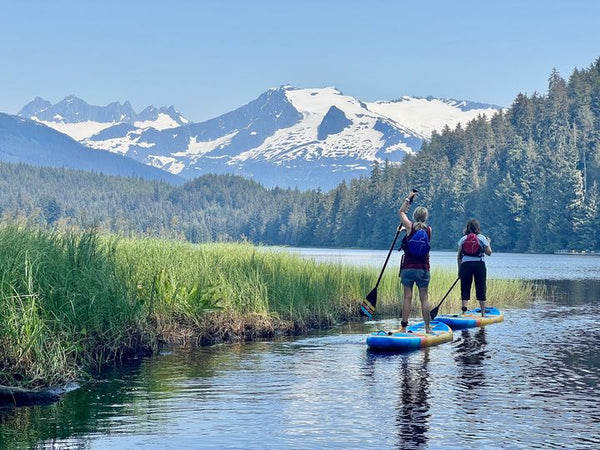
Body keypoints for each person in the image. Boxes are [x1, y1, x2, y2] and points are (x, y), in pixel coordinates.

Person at [398, 190, 432, 333]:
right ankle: (428, 328)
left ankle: (404, 328)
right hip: (423, 268)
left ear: (414, 216)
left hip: (408, 268)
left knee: (407, 297)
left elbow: (401, 212)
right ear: (425, 217)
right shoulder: (429, 230)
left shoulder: (409, 227)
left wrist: (409, 199)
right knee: (424, 298)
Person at [457, 219, 492, 317]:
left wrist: (459, 270)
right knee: (481, 287)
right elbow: (489, 253)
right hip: (479, 264)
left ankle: (464, 311)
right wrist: (488, 242)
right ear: (477, 228)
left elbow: (459, 256)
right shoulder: (482, 238)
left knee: (465, 287)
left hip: (466, 265)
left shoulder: (463, 239)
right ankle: (483, 313)